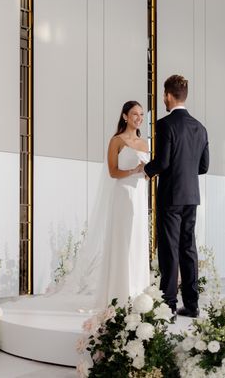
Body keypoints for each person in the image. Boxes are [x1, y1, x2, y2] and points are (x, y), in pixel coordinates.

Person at [44, 101, 150, 311]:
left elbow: (146, 173)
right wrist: (134, 170)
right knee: (122, 241)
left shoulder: (145, 143)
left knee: (137, 241)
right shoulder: (117, 141)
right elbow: (113, 172)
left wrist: (145, 173)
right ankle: (120, 294)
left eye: (141, 114)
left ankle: (138, 293)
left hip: (139, 195)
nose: (138, 118)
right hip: (123, 194)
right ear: (125, 116)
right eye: (134, 114)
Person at [144, 75, 209, 318]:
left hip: (170, 195)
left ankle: (168, 305)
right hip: (191, 196)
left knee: (169, 249)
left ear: (168, 95)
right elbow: (203, 166)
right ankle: (192, 305)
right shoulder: (200, 127)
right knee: (188, 249)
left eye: (163, 95)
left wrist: (144, 171)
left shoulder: (165, 124)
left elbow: (162, 162)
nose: (163, 99)